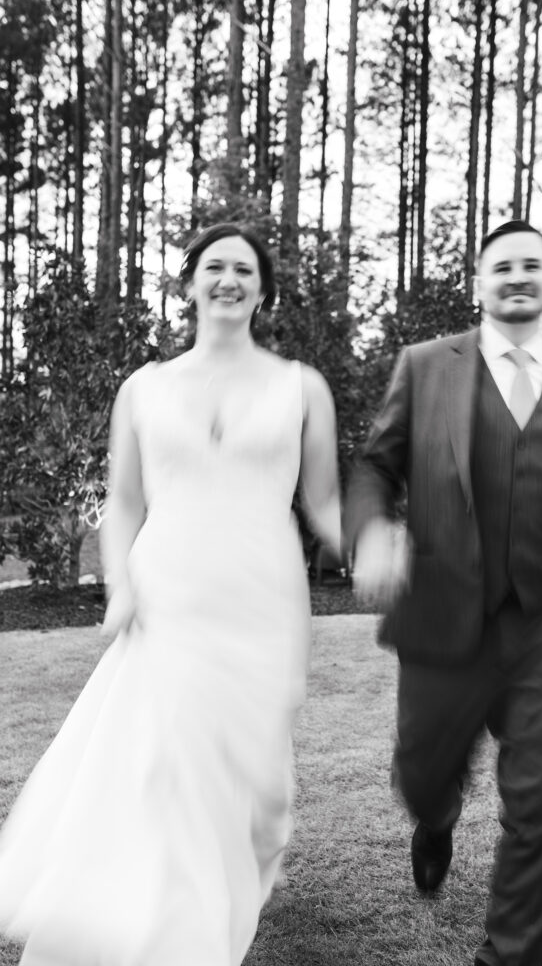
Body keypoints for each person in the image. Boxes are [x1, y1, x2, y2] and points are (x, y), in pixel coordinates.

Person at [0, 222, 341, 966]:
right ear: (189, 284)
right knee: (163, 767)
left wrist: (382, 544)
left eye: (244, 269)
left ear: (262, 291)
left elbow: (324, 503)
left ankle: (224, 896)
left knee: (260, 802)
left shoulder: (301, 387)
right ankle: (172, 939)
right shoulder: (145, 389)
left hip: (262, 602)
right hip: (169, 598)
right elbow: (124, 501)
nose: (228, 280)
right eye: (214, 266)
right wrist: (121, 584)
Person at [345, 220, 542, 966]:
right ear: (477, 283)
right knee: (421, 774)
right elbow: (376, 466)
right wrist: (372, 532)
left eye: (531, 265)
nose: (516, 276)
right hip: (443, 615)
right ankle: (435, 815)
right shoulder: (424, 367)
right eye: (501, 266)